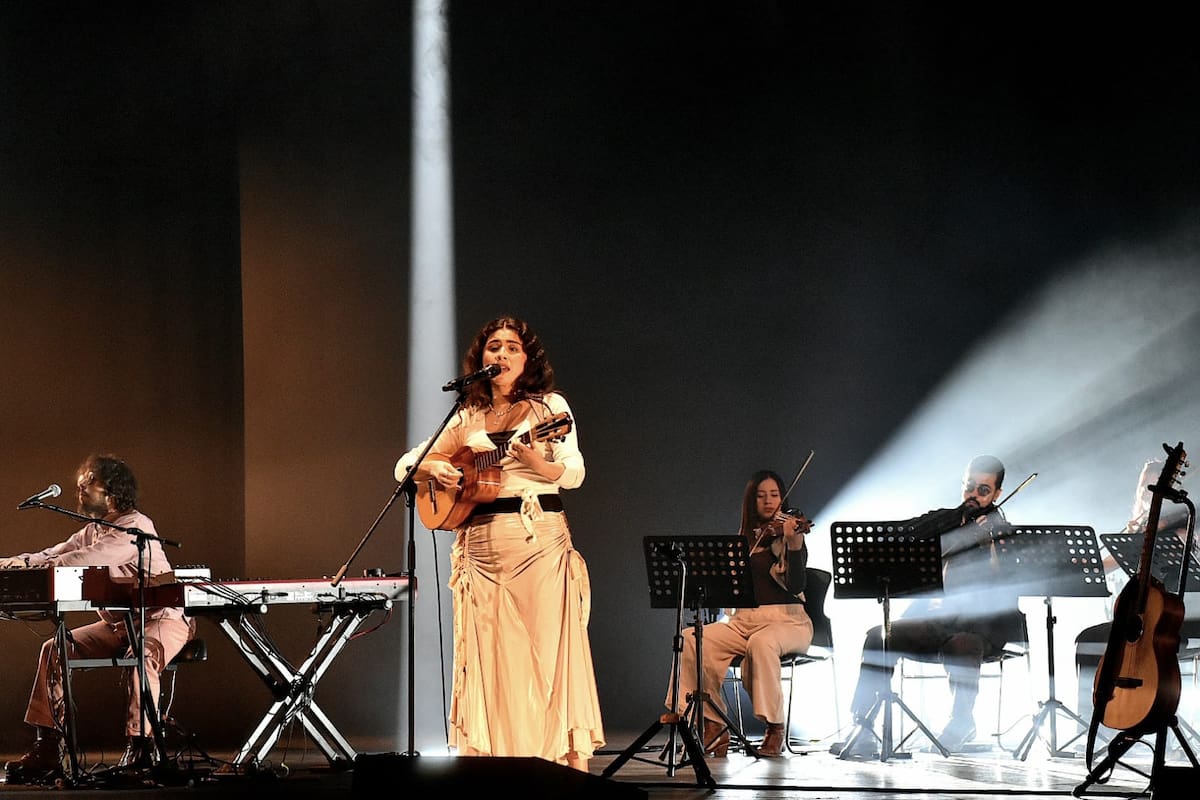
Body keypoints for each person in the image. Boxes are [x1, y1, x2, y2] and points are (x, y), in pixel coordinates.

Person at [392, 316, 604, 772]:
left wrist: (536, 462)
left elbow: (575, 472)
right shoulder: (467, 415)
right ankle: (499, 767)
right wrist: (437, 470)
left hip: (538, 545)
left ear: (527, 359)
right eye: (493, 347)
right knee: (491, 661)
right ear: (480, 358)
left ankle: (552, 766)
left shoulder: (550, 409)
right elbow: (405, 465)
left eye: (511, 347)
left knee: (544, 657)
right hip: (481, 549)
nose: (501, 355)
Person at [0, 454, 195, 784]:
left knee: (143, 655)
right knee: (55, 648)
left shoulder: (135, 527)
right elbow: (56, 554)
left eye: (87, 482)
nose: (79, 489)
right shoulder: (93, 530)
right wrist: (13, 563)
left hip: (161, 619)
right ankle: (47, 746)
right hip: (120, 624)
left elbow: (83, 560)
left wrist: (28, 567)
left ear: (112, 491)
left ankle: (141, 747)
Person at [835, 454, 1026, 757]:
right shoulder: (944, 520)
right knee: (878, 636)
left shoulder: (1005, 534)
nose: (973, 496)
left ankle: (962, 722)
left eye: (983, 491)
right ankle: (863, 723)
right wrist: (958, 536)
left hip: (983, 626)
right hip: (938, 619)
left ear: (997, 495)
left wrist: (989, 543)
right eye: (969, 487)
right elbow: (910, 542)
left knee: (963, 644)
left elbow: (1006, 584)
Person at [664, 469, 814, 758]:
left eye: (774, 495)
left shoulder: (789, 535)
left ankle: (775, 727)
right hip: (744, 621)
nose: (769, 501)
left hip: (788, 621)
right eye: (761, 496)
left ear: (783, 499)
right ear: (751, 501)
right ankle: (713, 725)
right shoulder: (745, 539)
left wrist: (793, 545)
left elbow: (796, 584)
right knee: (691, 639)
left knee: (762, 643)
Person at [1073, 457, 1199, 731]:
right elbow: (1105, 565)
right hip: (1143, 620)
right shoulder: (1137, 529)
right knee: (1087, 640)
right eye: (1144, 487)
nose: (1146, 494)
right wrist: (1077, 563)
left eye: (1153, 488)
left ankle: (1163, 714)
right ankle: (1093, 721)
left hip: (1177, 616)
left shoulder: (1185, 526)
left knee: (1160, 646)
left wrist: (1161, 532)